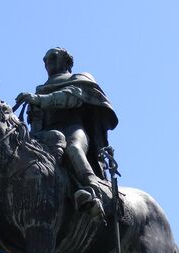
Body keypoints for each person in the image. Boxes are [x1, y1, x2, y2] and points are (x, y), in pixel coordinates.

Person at [15, 47, 118, 219]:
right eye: (45, 58)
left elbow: (70, 97)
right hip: (48, 136)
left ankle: (94, 189)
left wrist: (39, 100)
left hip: (73, 130)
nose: (48, 61)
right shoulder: (39, 90)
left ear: (67, 61)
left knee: (73, 148)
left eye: (53, 56)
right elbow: (36, 124)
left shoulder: (80, 79)